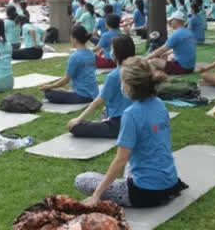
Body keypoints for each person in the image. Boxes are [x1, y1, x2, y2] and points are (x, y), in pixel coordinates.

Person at [75, 56, 188, 208]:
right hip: (171, 183)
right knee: (131, 161)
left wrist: (96, 195)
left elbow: (120, 160)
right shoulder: (159, 104)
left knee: (82, 180)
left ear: (129, 85)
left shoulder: (131, 114)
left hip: (145, 193)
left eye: (122, 81)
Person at [68, 35, 135, 138]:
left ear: (117, 52)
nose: (110, 51)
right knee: (104, 111)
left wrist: (79, 119)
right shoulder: (138, 70)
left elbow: (98, 101)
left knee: (74, 127)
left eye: (112, 48)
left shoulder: (115, 75)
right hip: (136, 120)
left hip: (119, 124)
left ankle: (105, 122)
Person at [40, 26, 99, 103]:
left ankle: (65, 91)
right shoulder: (91, 53)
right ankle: (66, 91)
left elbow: (66, 80)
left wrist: (49, 86)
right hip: (94, 93)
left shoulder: (74, 57)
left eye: (71, 37)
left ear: (74, 39)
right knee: (56, 90)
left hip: (83, 96)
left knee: (48, 93)